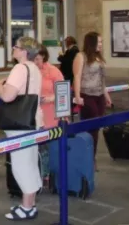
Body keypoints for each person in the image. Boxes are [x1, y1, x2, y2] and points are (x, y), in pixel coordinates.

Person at [0, 37, 43, 221]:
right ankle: (29, 204)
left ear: (24, 51)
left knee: (21, 165)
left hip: (19, 125)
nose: (13, 49)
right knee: (30, 162)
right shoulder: (34, 69)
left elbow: (8, 96)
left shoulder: (19, 68)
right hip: (33, 121)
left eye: (16, 47)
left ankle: (26, 207)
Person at [72, 32, 112, 168]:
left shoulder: (98, 58)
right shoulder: (81, 56)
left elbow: (102, 79)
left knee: (97, 127)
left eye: (101, 42)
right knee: (91, 127)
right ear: (91, 43)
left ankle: (91, 156)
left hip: (99, 95)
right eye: (98, 42)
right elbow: (77, 77)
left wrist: (106, 95)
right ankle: (89, 158)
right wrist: (77, 96)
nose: (101, 45)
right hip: (86, 95)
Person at [35, 46, 65, 129]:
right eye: (33, 59)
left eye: (37, 59)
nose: (35, 62)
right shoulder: (29, 70)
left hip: (51, 112)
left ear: (43, 56)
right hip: (34, 112)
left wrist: (50, 99)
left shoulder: (53, 71)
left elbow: (63, 92)